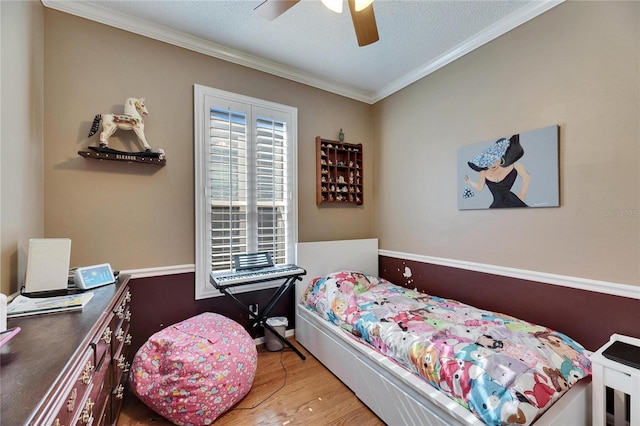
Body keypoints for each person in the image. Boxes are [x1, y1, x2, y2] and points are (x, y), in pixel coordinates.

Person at [464, 134, 530, 208]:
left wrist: (520, 197)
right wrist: (469, 182)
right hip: (496, 206)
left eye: (494, 160)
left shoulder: (515, 165)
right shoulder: (483, 172)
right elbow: (479, 188)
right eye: (488, 162)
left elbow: (526, 178)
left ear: (501, 157)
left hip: (514, 202)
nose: (492, 164)